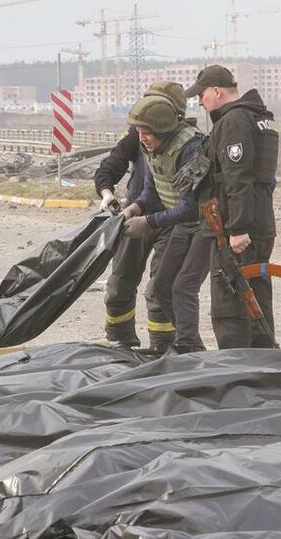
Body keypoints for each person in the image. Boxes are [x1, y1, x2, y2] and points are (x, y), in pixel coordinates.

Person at [183, 65, 279, 349]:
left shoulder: (234, 121)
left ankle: (234, 371)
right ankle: (264, 365)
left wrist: (237, 228)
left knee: (230, 304)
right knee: (256, 297)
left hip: (238, 231)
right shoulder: (258, 117)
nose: (200, 102)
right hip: (260, 222)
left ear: (216, 91)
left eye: (201, 95)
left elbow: (237, 179)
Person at [93, 81, 189, 353]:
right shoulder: (138, 134)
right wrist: (106, 193)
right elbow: (112, 164)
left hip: (171, 220)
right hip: (136, 214)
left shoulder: (187, 142)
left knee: (160, 289)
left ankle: (163, 349)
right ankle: (120, 342)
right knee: (119, 284)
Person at [119, 96, 208, 354]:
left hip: (207, 225)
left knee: (183, 287)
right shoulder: (150, 147)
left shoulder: (191, 148)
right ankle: (188, 343)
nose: (142, 138)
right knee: (161, 286)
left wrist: (147, 222)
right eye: (139, 132)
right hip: (183, 223)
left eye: (147, 133)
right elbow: (152, 190)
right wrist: (135, 207)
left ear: (162, 130)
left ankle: (189, 347)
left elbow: (190, 206)